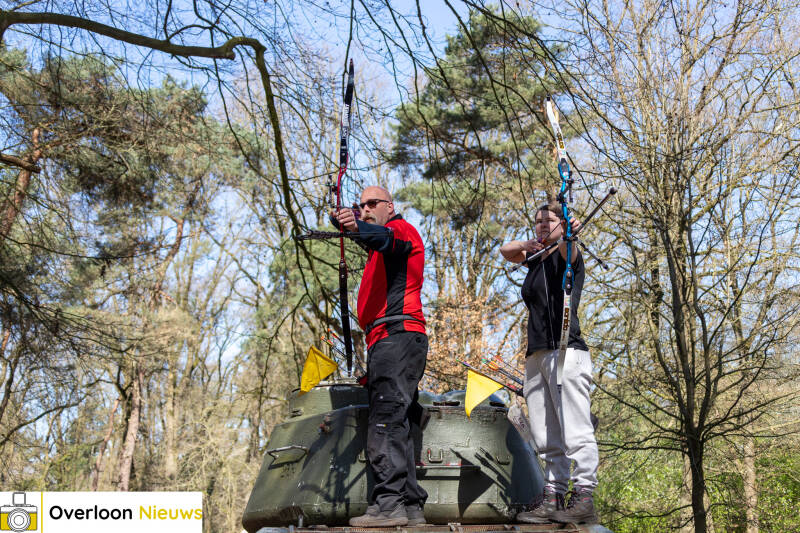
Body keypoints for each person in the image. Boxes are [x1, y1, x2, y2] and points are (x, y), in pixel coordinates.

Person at [330, 186, 428, 527]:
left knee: (385, 421)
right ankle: (410, 506)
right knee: (398, 422)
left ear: (390, 205)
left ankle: (388, 505)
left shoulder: (401, 230)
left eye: (373, 203)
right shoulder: (381, 246)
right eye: (361, 206)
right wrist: (346, 223)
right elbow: (372, 239)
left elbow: (383, 238)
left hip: (396, 337)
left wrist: (355, 225)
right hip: (393, 340)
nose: (366, 209)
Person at [499, 199, 599, 525]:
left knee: (576, 429)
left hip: (566, 351)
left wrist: (568, 231)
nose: (542, 224)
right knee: (545, 435)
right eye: (538, 221)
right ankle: (553, 496)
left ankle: (584, 496)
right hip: (537, 355)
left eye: (549, 220)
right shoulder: (534, 259)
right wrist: (530, 243)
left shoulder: (566, 253)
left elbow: (569, 248)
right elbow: (505, 250)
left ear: (562, 223)